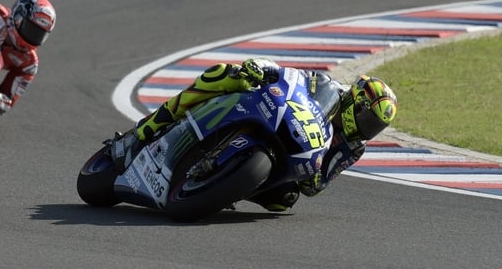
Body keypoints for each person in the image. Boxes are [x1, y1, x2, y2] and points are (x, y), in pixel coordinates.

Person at [111, 58, 398, 212]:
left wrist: (314, 174)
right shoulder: (325, 84)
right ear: (355, 103)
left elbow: (318, 185)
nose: (368, 129)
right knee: (224, 74)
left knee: (284, 200)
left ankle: (223, 186)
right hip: (273, 113)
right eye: (368, 119)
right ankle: (142, 132)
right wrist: (262, 68)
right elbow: (289, 75)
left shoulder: (354, 148)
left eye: (376, 126)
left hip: (293, 154)